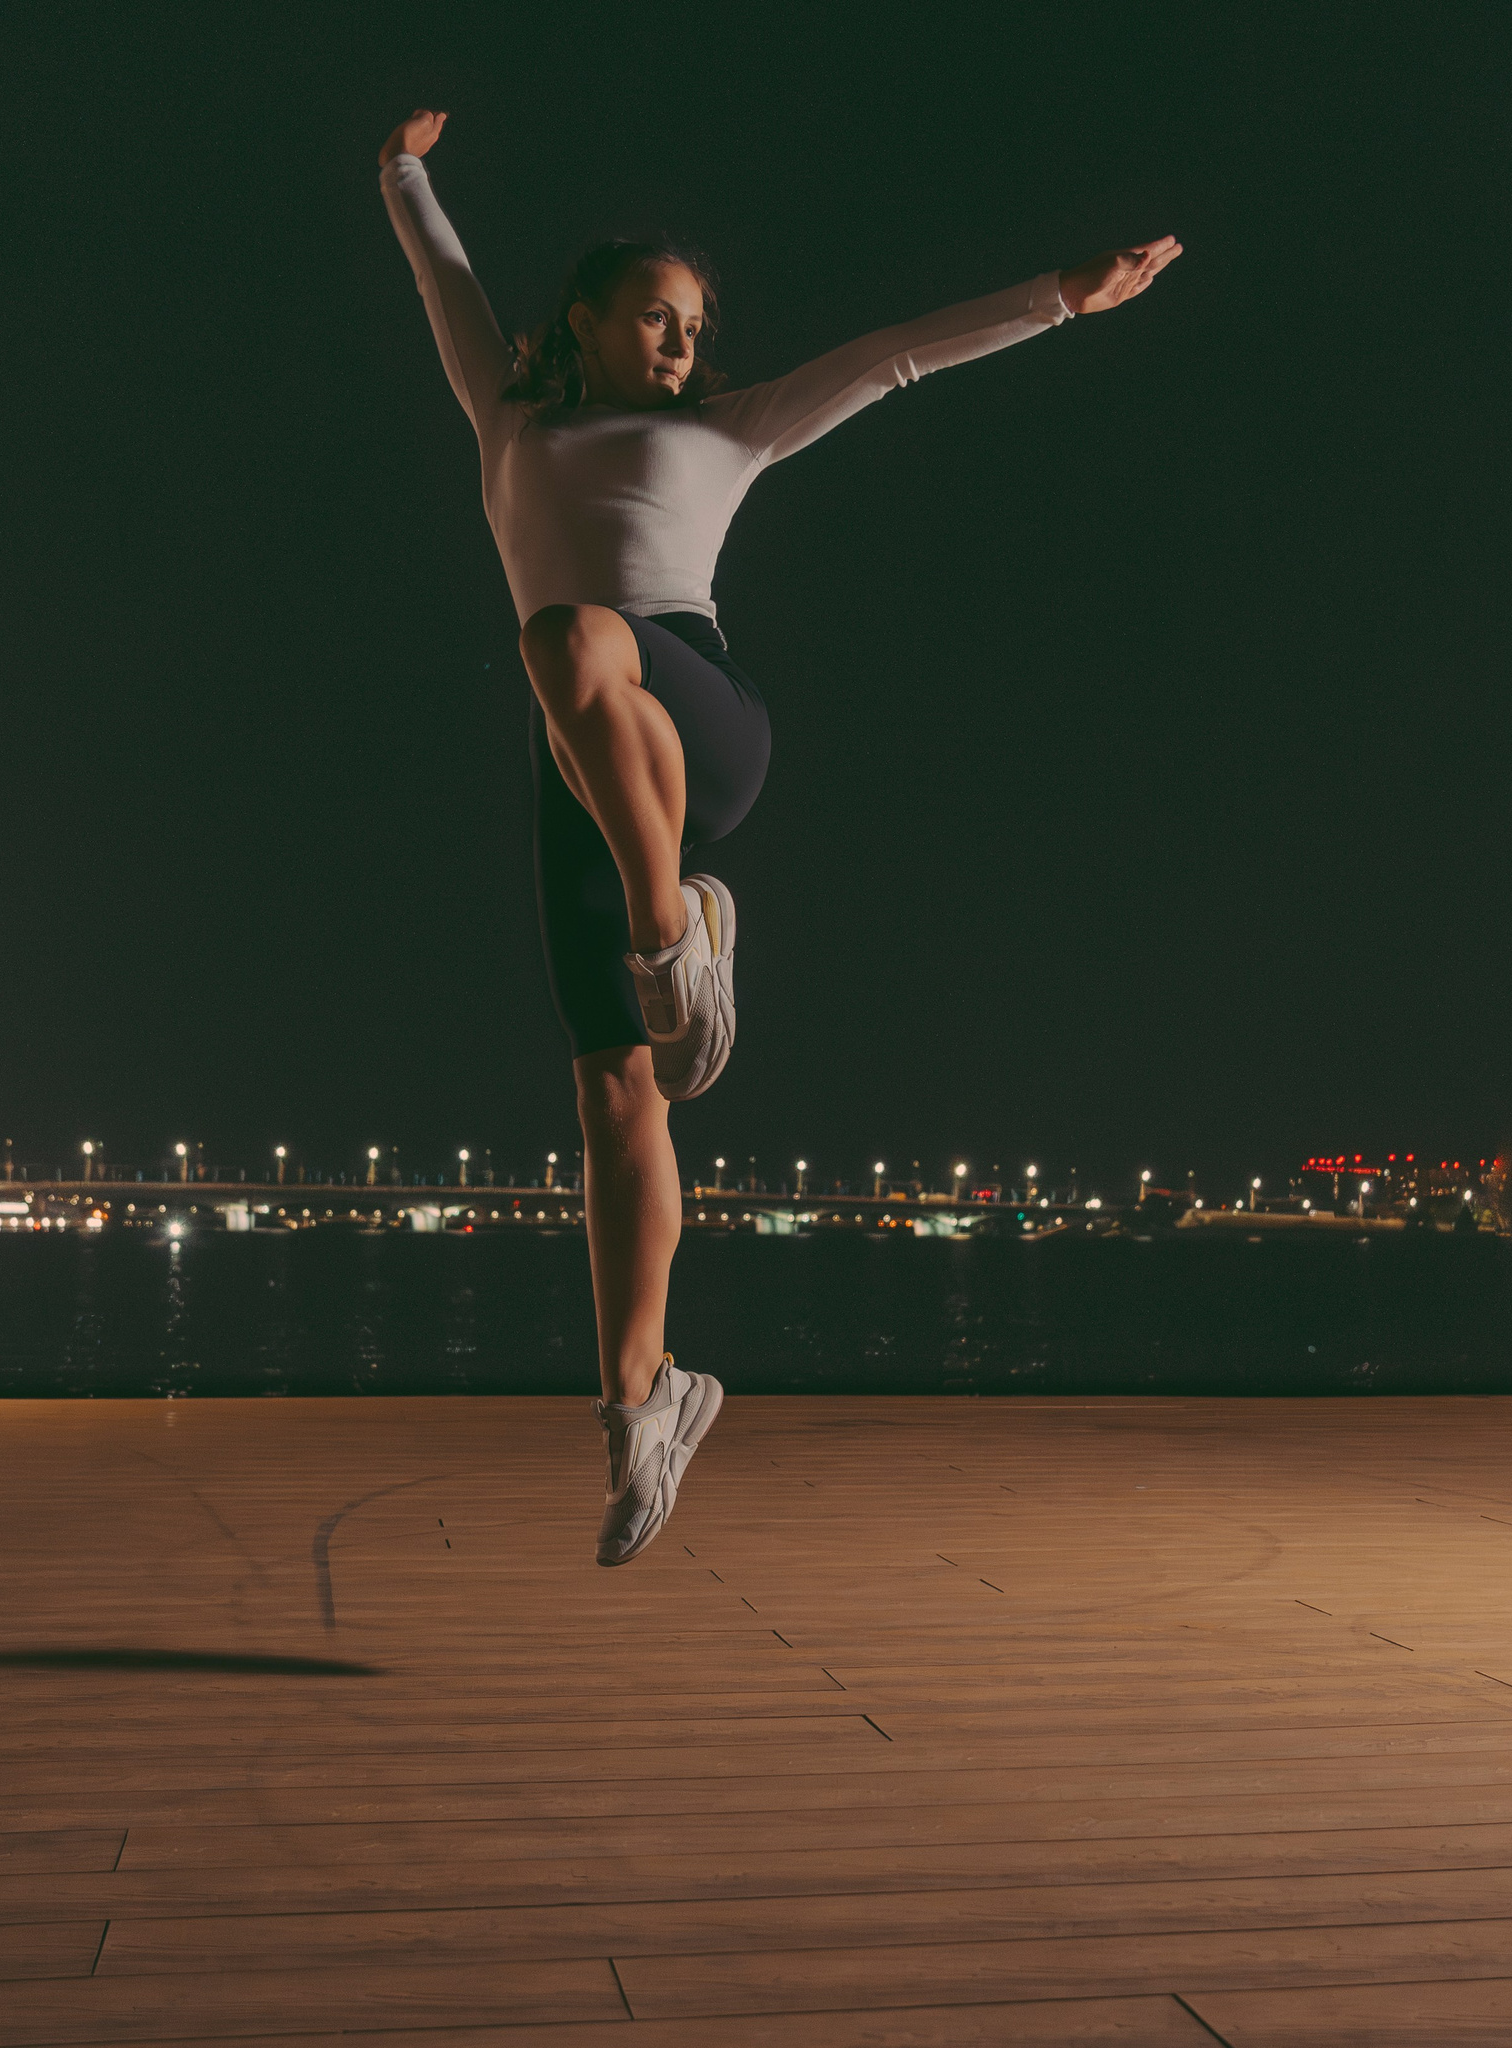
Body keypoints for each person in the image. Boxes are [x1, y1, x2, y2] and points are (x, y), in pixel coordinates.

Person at [377, 109, 1180, 1566]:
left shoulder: (723, 431)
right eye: (656, 319)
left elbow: (893, 355)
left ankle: (678, 930)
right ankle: (645, 1403)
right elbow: (445, 281)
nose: (682, 346)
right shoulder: (510, 420)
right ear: (586, 322)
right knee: (615, 1098)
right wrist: (403, 173)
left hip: (700, 719)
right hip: (584, 765)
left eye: (696, 328)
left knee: (564, 634)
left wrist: (1065, 295)